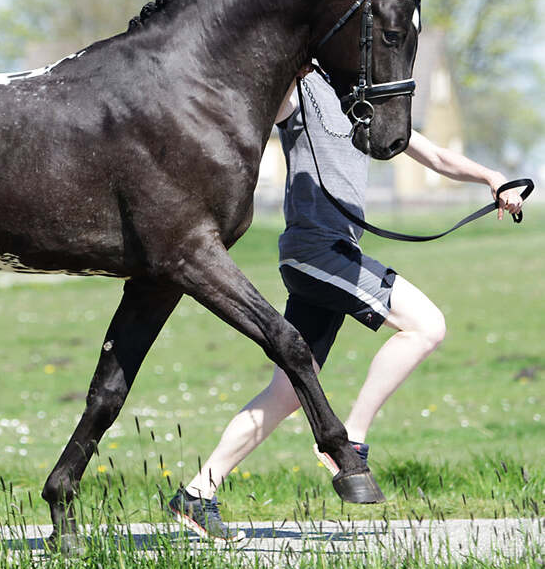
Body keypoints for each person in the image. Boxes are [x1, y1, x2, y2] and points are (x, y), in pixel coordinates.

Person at [168, 67, 525, 541]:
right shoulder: (299, 86)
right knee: (426, 325)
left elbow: (434, 154)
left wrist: (492, 178)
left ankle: (197, 494)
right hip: (316, 251)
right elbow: (255, 110)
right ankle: (349, 439)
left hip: (337, 253)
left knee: (289, 391)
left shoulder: (366, 102)